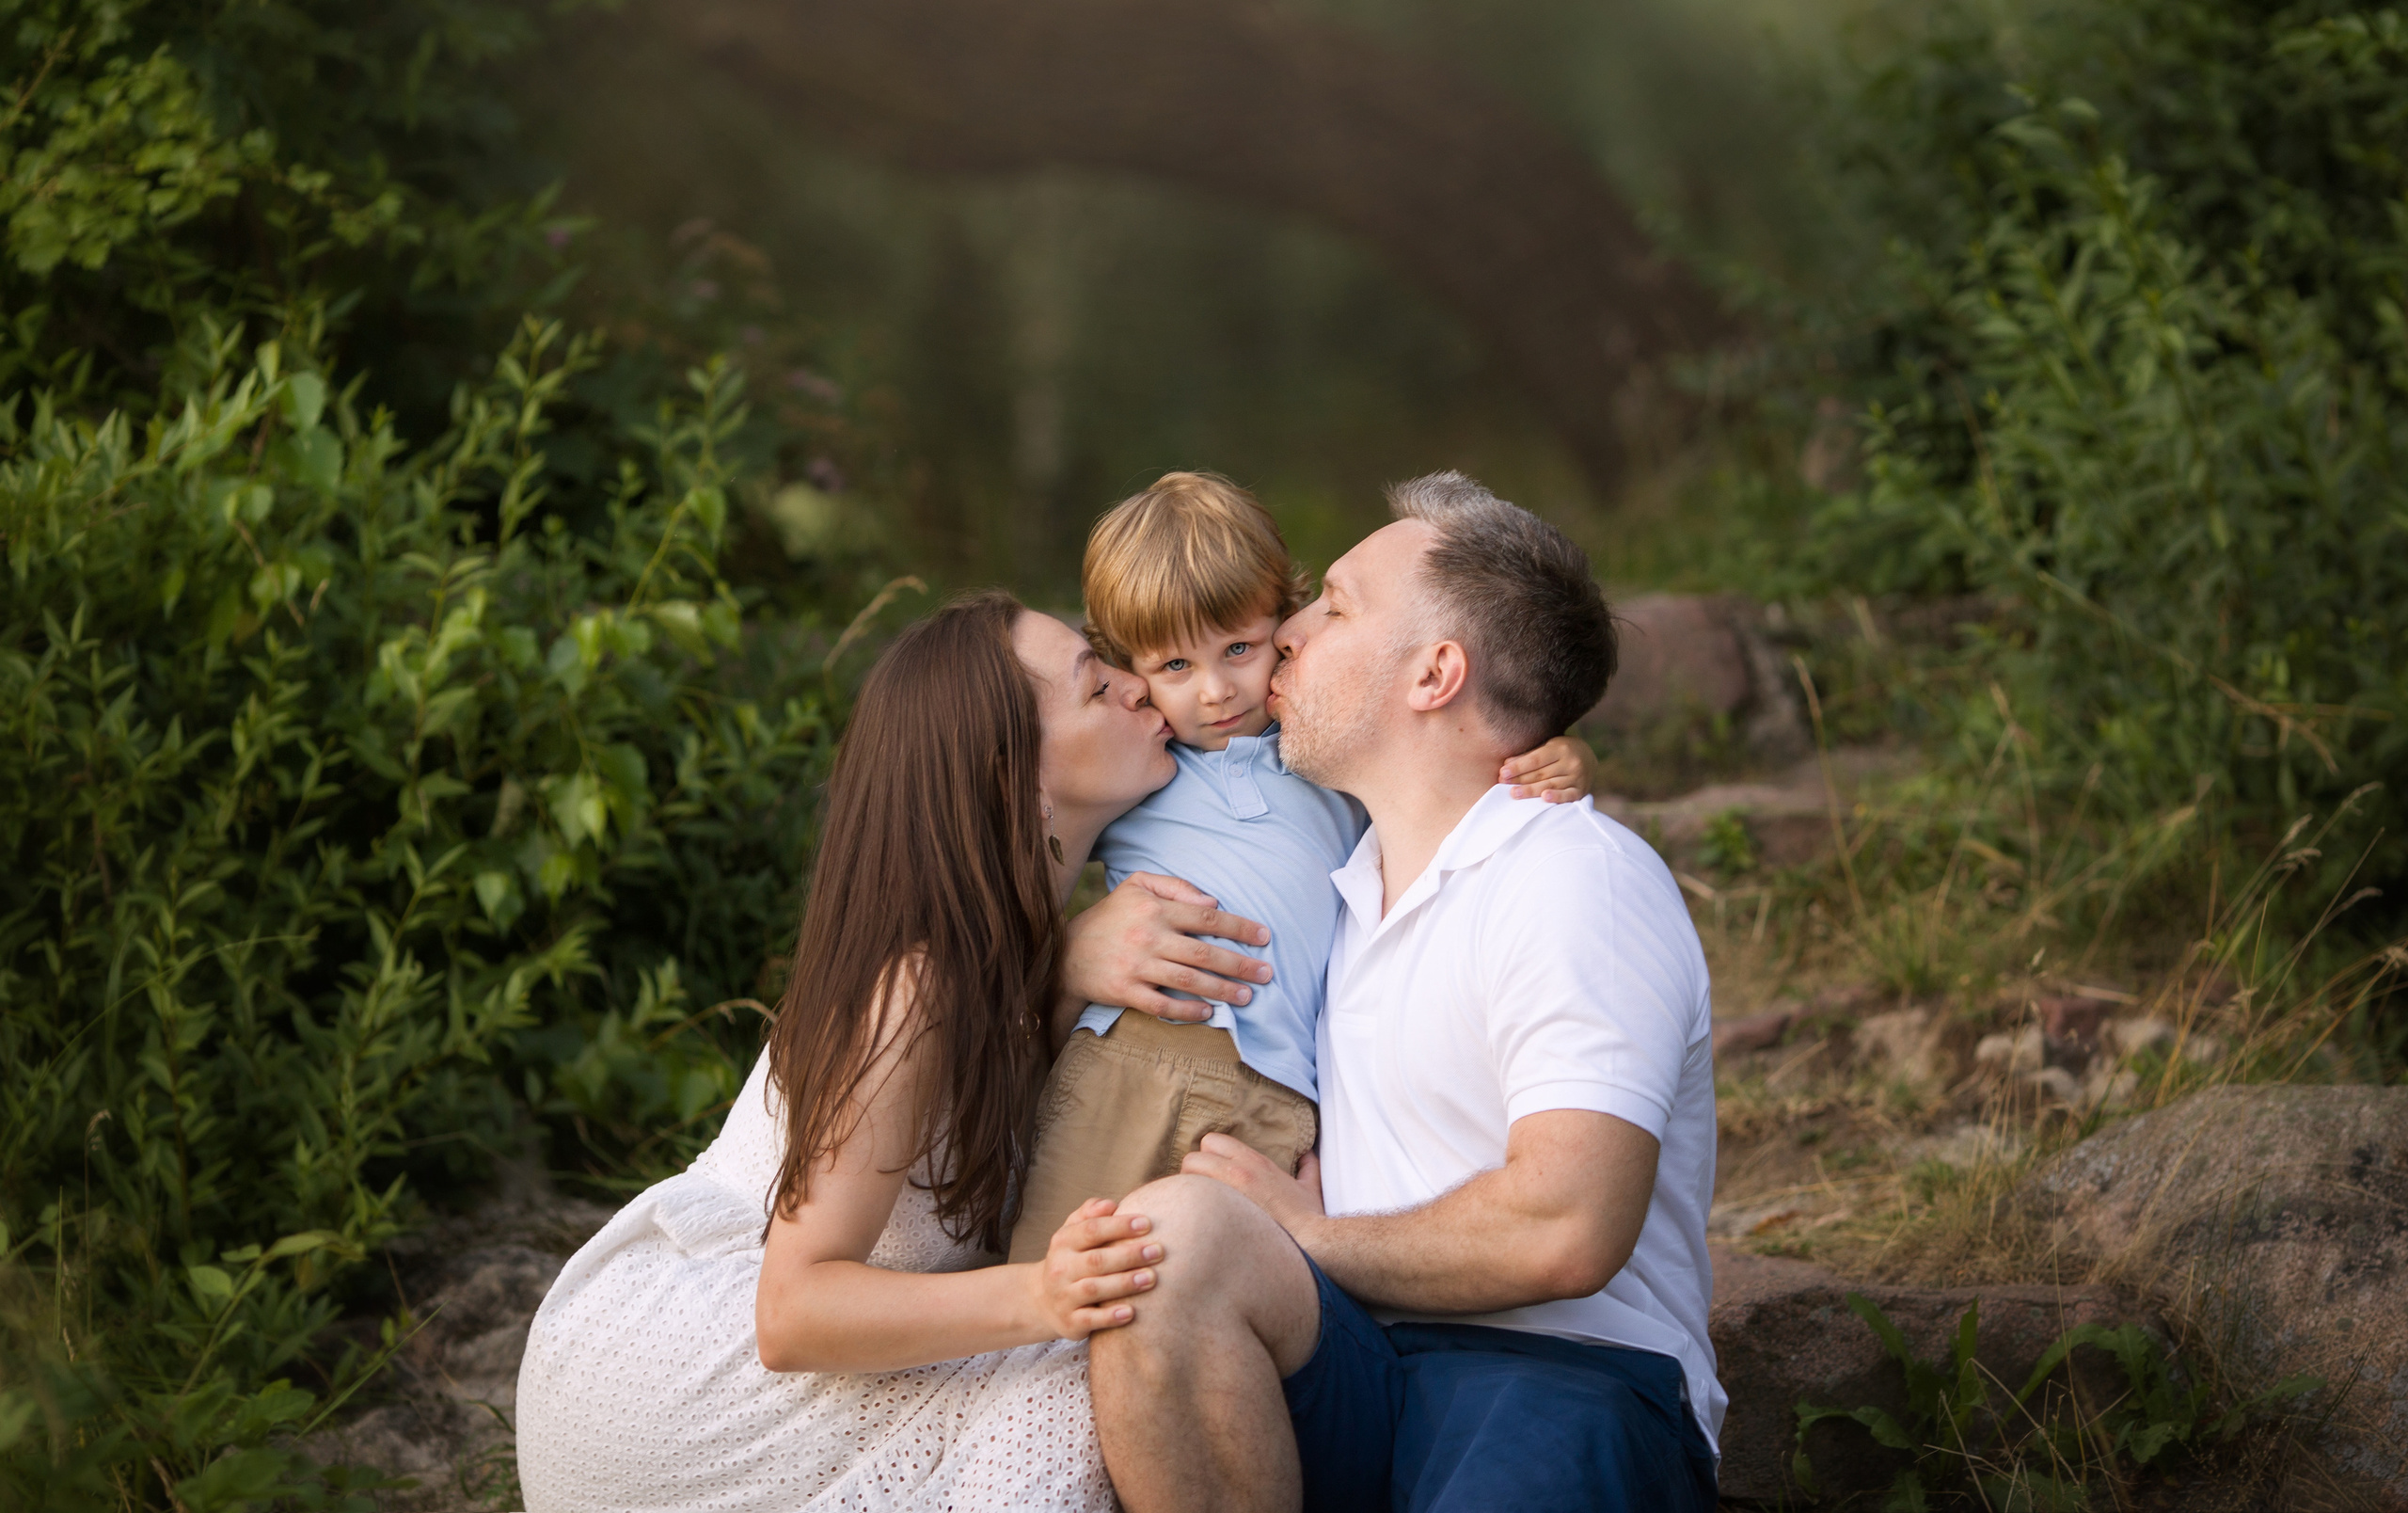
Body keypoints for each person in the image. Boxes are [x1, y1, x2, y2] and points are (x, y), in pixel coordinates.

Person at [516, 591, 1282, 1512]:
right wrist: (1042, 1296)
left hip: (746, 1372)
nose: (1136, 685)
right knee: (1077, 1380)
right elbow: (792, 1313)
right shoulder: (913, 985)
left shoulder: (1015, 963)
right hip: (677, 1388)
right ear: (1013, 777)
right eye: (1093, 684)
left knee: (1114, 1350)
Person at [1088, 472, 1724, 1513]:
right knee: (1167, 1249)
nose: (1287, 630)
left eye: (1334, 606)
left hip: (1561, 1382)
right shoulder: (1347, 886)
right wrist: (1065, 955)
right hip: (1357, 1360)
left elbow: (1567, 1227)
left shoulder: (1570, 876)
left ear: (1435, 674)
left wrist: (1311, 1234)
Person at [1006, 471, 1594, 1263]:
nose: (1215, 691)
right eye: (1174, 667)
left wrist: (1562, 754)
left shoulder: (1325, 747)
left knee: (1212, 1301)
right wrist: (1073, 950)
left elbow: (1458, 755)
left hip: (1290, 1096)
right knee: (1058, 1277)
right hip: (1140, 1057)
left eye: (1239, 649)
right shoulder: (1144, 765)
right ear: (1131, 667)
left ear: (1284, 621)